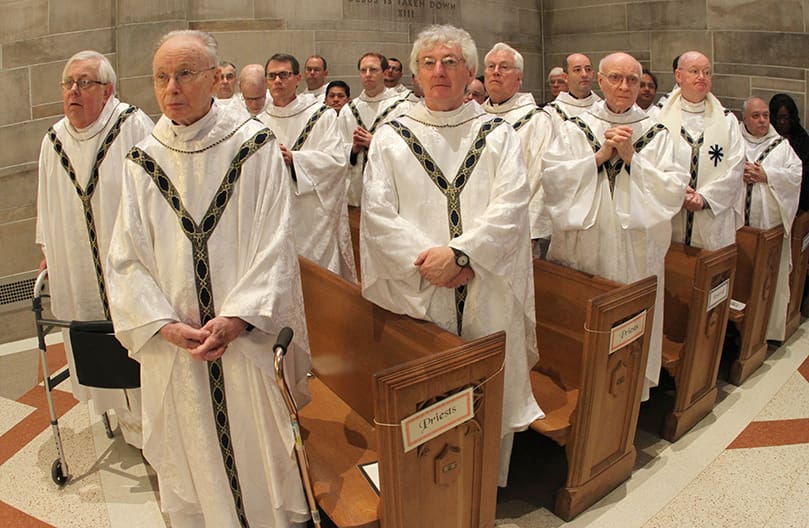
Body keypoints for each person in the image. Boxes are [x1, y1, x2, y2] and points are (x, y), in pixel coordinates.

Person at [106, 30, 311, 528]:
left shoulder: (255, 146)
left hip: (244, 343)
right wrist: (163, 325)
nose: (170, 87)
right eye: (160, 77)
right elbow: (125, 259)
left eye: (183, 74)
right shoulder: (142, 160)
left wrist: (238, 317)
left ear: (214, 78)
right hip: (181, 347)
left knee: (257, 450)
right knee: (193, 451)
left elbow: (277, 239)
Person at [360, 24, 544, 487]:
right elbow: (378, 215)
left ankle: (486, 486)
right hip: (422, 288)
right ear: (417, 74)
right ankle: (432, 486)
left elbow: (512, 204)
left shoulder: (498, 133)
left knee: (488, 394)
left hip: (486, 287)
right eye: (429, 63)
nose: (439, 71)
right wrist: (433, 262)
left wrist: (461, 257)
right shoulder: (391, 136)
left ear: (469, 72)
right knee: (428, 399)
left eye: (451, 62)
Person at [541, 52, 687, 399]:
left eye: (632, 80)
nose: (624, 86)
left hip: (635, 248)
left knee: (630, 323)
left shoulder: (657, 132)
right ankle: (584, 392)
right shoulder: (574, 127)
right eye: (616, 78)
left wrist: (632, 157)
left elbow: (672, 190)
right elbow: (553, 180)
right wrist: (599, 156)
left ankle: (629, 394)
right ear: (601, 81)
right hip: (586, 247)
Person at [36, 50, 153, 449]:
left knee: (138, 335)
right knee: (93, 334)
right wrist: (50, 250)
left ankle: (154, 423)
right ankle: (123, 417)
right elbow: (46, 203)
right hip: (80, 261)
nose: (73, 91)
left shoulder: (131, 124)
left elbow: (156, 190)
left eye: (84, 83)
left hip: (128, 258)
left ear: (107, 91)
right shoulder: (53, 141)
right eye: (68, 83)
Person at [259, 53, 355, 281]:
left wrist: (295, 159)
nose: (278, 81)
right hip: (273, 212)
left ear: (297, 78)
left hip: (311, 215)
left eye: (284, 75)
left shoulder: (322, 116)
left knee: (315, 280)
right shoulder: (259, 122)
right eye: (272, 76)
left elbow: (337, 162)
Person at [658, 50, 744, 250]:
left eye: (706, 72)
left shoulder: (727, 120)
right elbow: (649, 163)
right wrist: (676, 191)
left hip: (712, 220)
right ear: (678, 76)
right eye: (694, 71)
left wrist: (704, 198)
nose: (701, 77)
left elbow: (736, 166)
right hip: (670, 218)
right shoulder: (657, 118)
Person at [482, 42, 553, 258]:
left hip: (517, 230)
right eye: (491, 66)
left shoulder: (536, 120)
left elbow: (541, 176)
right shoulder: (475, 117)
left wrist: (530, 232)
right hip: (477, 227)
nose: (496, 72)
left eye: (504, 67)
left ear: (519, 77)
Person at [740, 97, 802, 341]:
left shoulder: (781, 146)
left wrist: (767, 174)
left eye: (766, 115)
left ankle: (764, 332)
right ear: (744, 118)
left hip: (768, 230)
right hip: (737, 229)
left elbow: (796, 175)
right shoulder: (734, 143)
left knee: (766, 283)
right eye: (756, 116)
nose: (763, 120)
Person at [337, 52, 411, 206]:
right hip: (354, 193)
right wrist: (353, 149)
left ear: (384, 73)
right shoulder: (349, 109)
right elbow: (335, 149)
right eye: (363, 70)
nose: (368, 75)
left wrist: (375, 143)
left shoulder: (401, 107)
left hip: (387, 191)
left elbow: (408, 150)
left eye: (373, 70)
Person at [770, 93, 809, 212]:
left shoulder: (802, 140)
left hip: (799, 196)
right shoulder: (768, 138)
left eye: (785, 118)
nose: (782, 122)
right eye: (779, 118)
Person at [545, 53, 601, 125]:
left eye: (588, 69)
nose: (584, 74)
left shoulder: (604, 109)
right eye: (577, 70)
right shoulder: (551, 112)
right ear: (565, 77)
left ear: (593, 75)